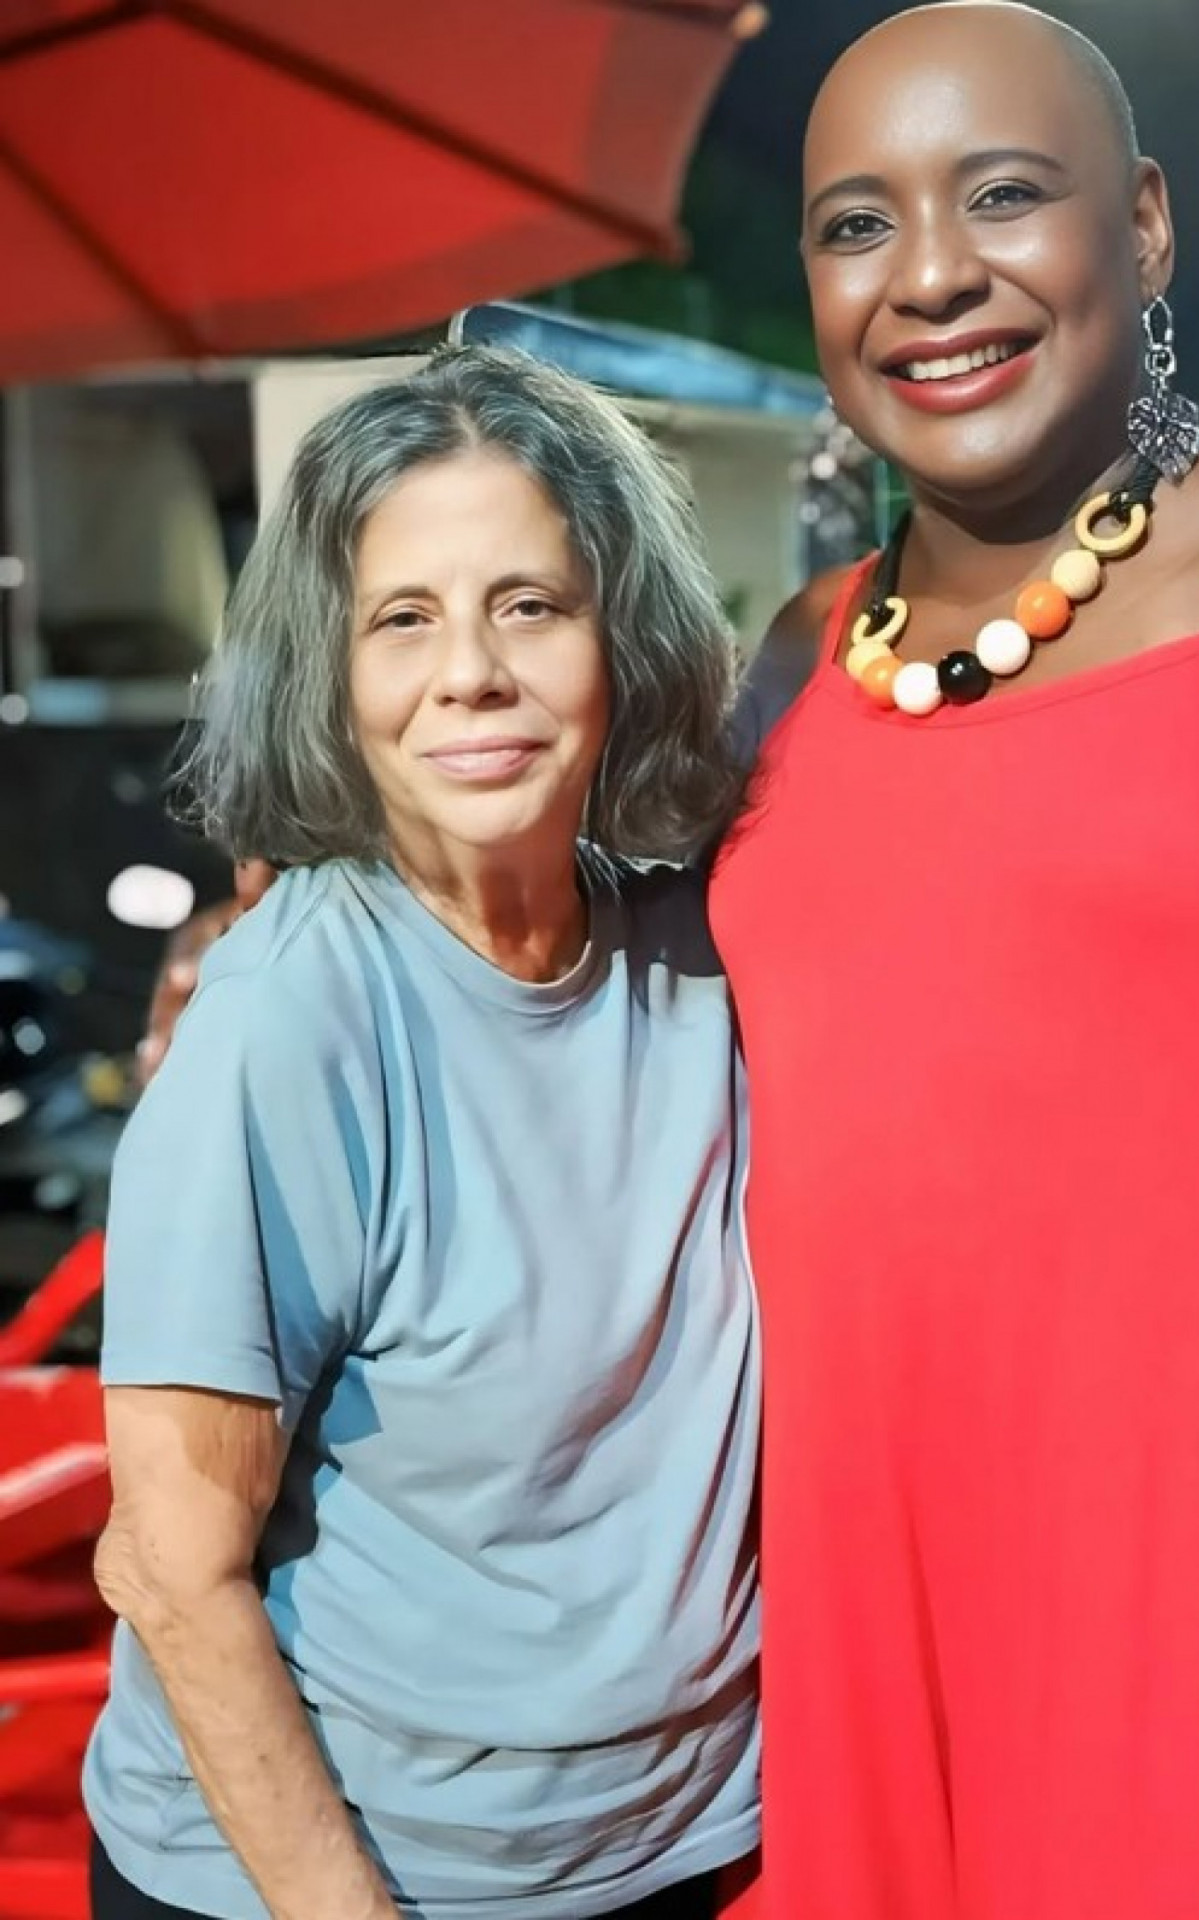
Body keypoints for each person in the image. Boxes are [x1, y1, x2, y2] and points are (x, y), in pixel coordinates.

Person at [84, 347, 761, 1920]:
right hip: (331, 1880)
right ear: (331, 671)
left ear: (625, 638)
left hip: (670, 1853)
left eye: (530, 603)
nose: (471, 671)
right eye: (404, 618)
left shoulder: (711, 955)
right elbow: (168, 1567)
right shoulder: (291, 1017)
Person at [710, 5, 1199, 1918]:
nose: (930, 275)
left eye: (1005, 196)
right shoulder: (783, 659)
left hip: (1148, 1651)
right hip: (841, 1656)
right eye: (857, 223)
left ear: (1144, 227)